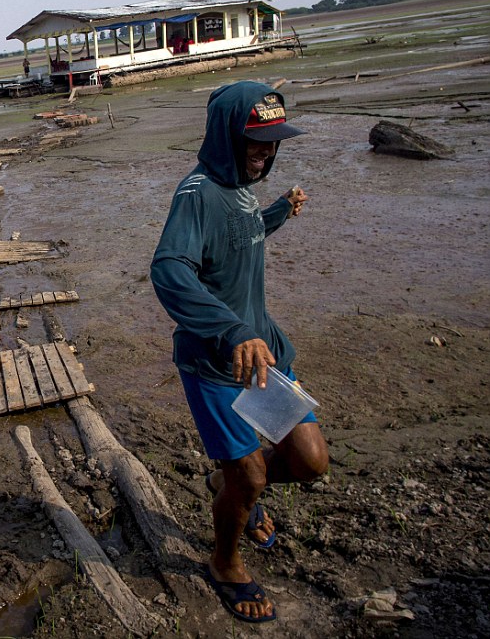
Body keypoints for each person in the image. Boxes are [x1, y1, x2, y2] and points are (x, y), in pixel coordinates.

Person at [150, 81, 329, 623]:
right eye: (255, 142)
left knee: (309, 461)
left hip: (263, 351)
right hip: (215, 361)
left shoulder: (242, 185)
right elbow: (170, 268)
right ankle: (225, 562)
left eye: (272, 142)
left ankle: (222, 482)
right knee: (250, 478)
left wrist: (276, 211)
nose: (266, 152)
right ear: (225, 135)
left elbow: (239, 233)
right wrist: (229, 330)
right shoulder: (197, 192)